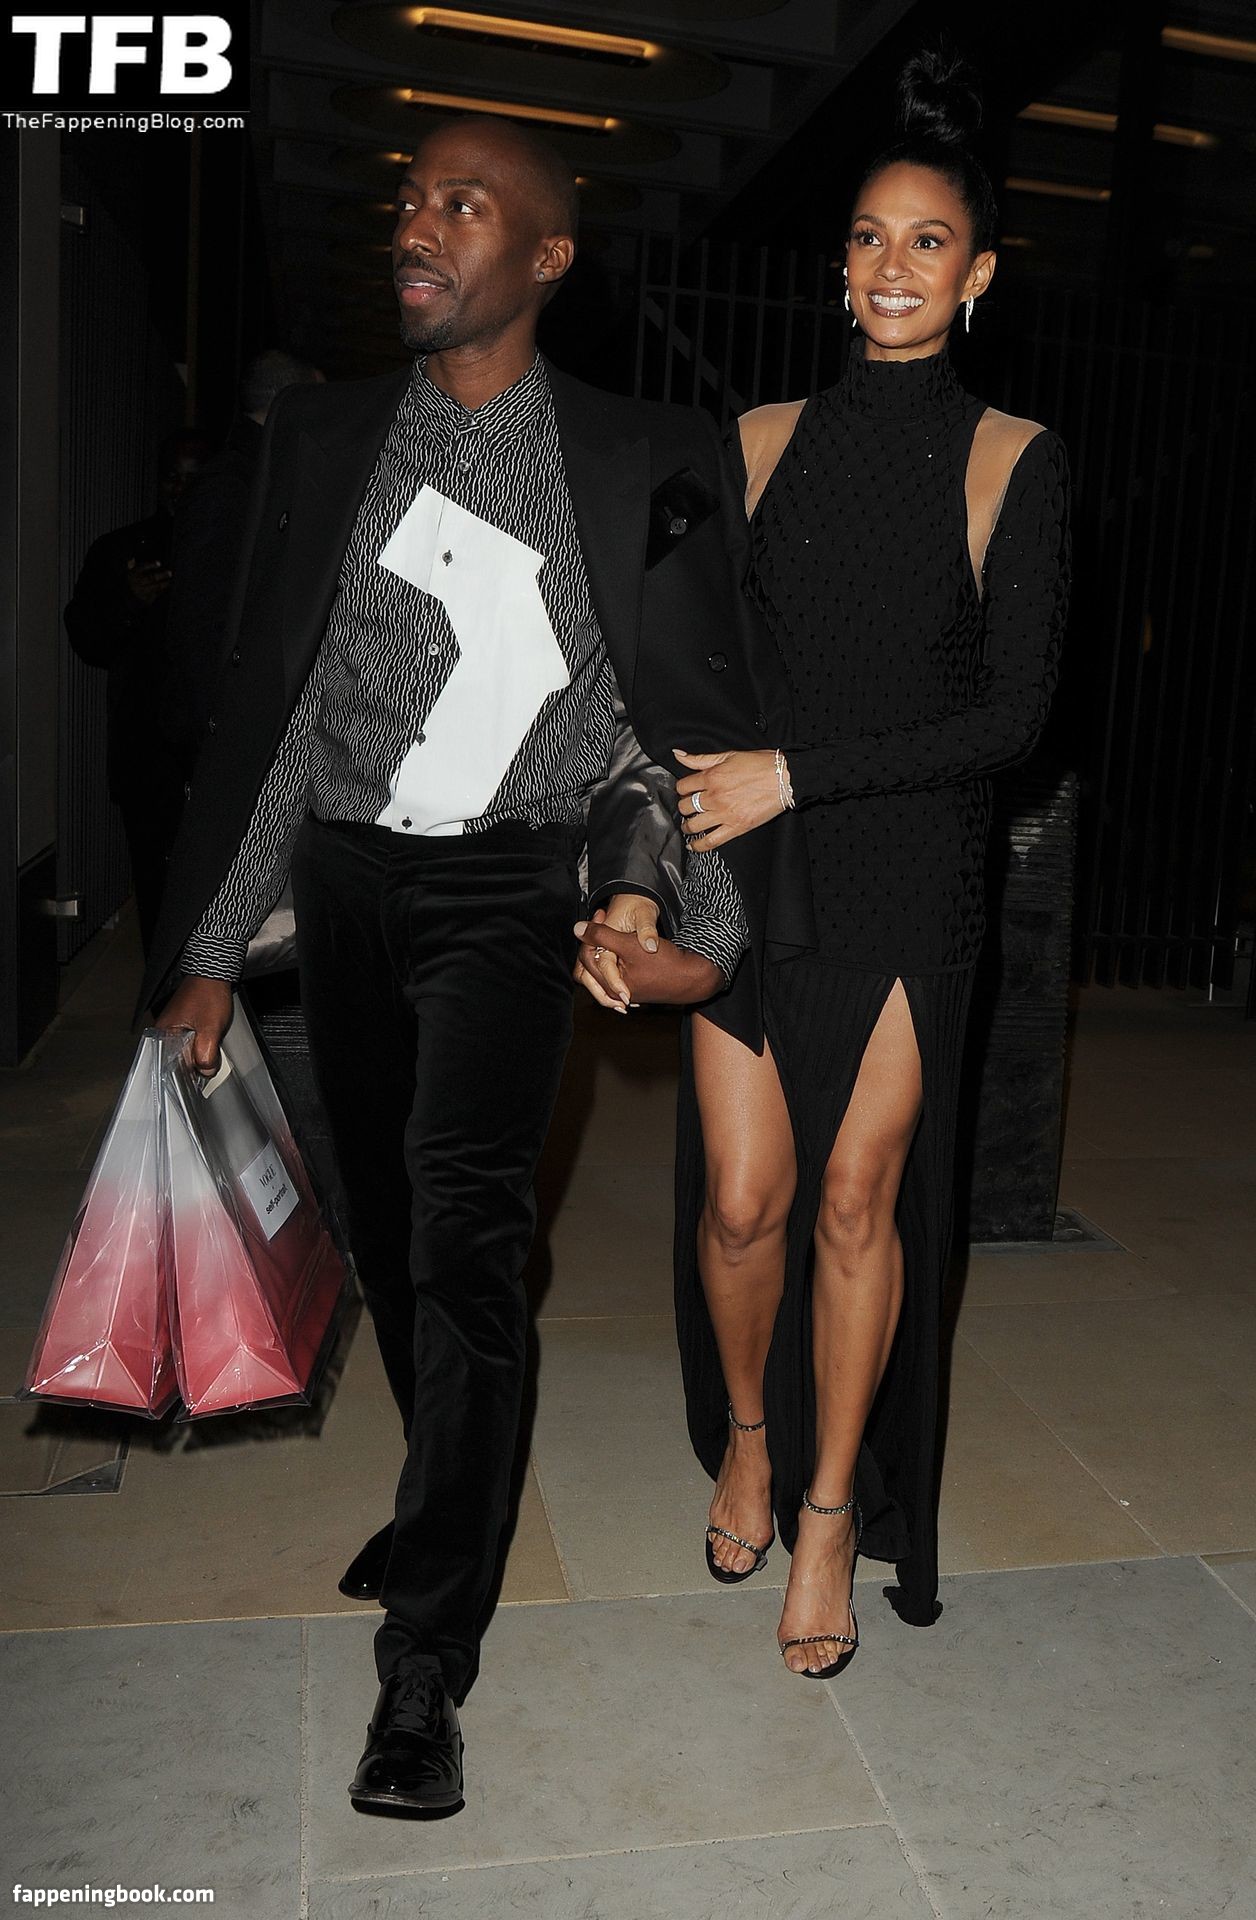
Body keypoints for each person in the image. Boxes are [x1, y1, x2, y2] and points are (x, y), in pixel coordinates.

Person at [144, 115, 806, 1816]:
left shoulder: (646, 452)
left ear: (547, 255)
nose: (417, 227)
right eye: (409, 200)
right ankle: (445, 1487)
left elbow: (682, 718)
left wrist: (692, 930)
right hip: (344, 880)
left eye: (464, 204)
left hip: (515, 889)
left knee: (466, 1248)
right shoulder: (327, 434)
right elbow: (284, 712)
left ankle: (425, 1663)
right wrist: (212, 948)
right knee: (386, 1235)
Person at [577, 52, 1070, 1678]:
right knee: (741, 1204)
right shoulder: (758, 442)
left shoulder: (1012, 460)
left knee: (857, 1200)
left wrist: (802, 770)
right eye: (869, 238)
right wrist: (646, 865)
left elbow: (1013, 720)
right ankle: (745, 1429)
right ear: (838, 266)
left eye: (929, 243)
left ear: (978, 275)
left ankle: (833, 1511)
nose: (892, 267)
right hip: (753, 867)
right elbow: (678, 684)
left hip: (912, 877)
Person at [64, 428, 210, 952]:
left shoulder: (232, 543)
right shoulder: (120, 549)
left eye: (193, 479)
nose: (180, 490)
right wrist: (128, 601)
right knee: (155, 887)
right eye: (171, 477)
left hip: (213, 752)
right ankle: (166, 993)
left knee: (217, 888)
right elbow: (85, 637)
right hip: (146, 757)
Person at [163, 350, 323, 759]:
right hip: (224, 732)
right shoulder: (231, 487)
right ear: (293, 400)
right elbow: (200, 622)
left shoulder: (263, 475)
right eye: (319, 399)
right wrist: (222, 737)